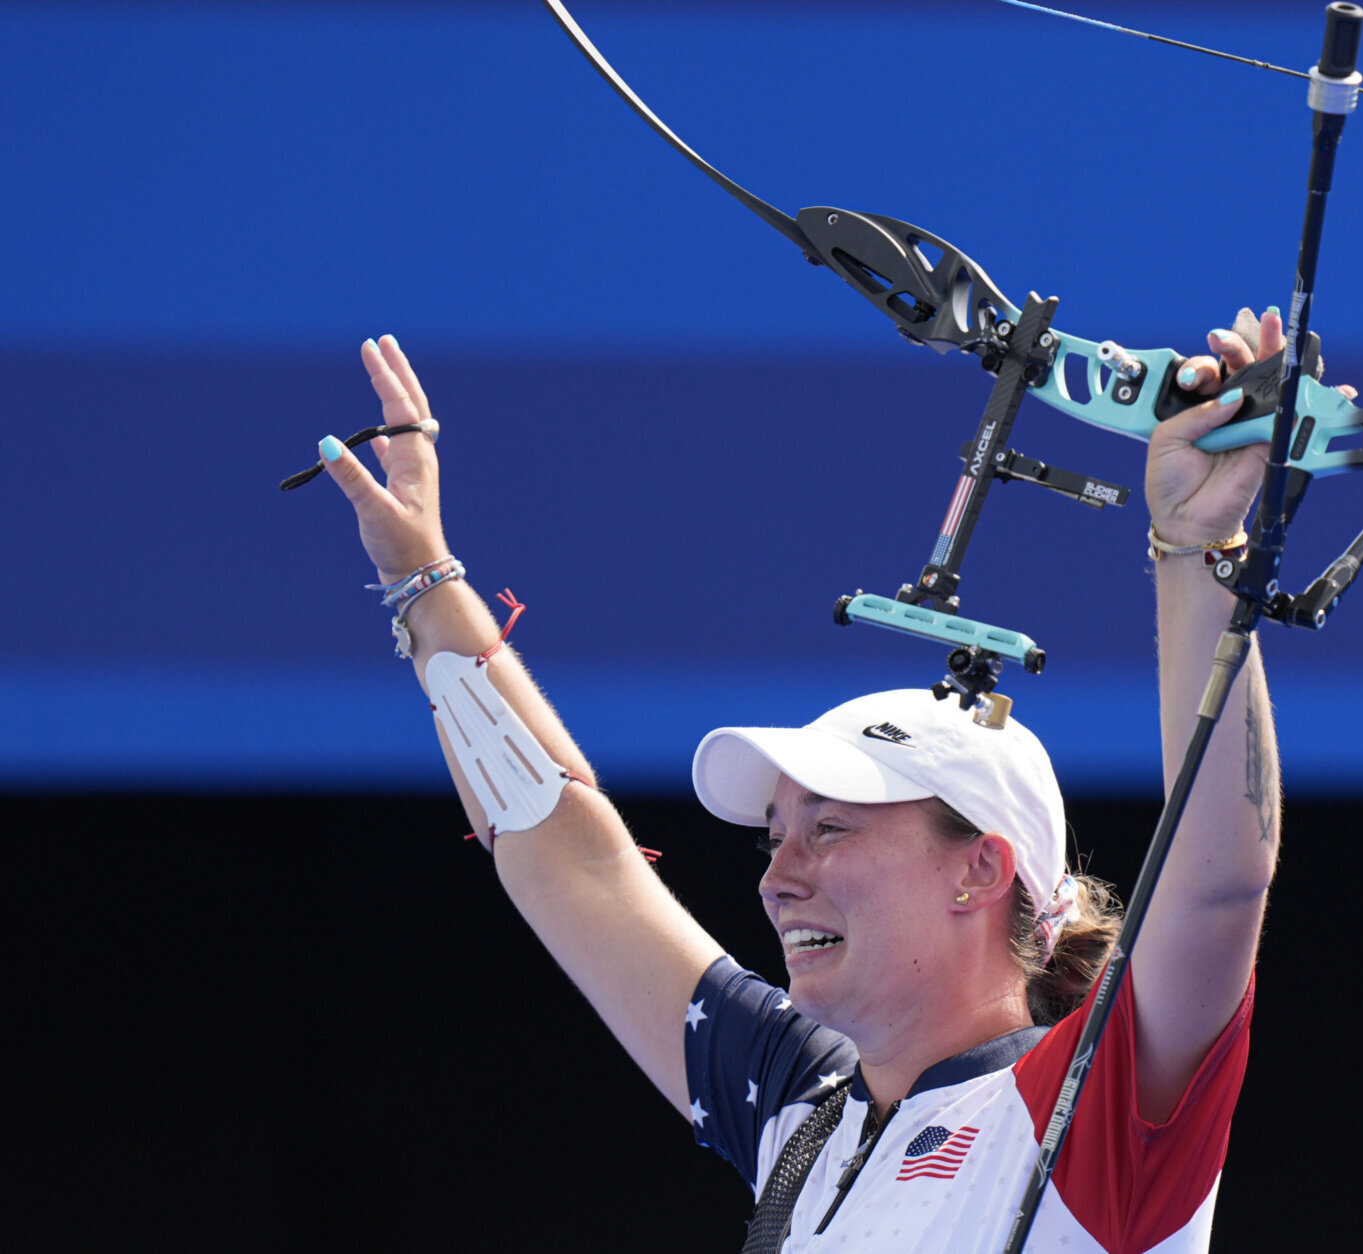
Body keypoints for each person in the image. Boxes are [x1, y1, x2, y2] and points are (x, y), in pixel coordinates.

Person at [314, 308, 1307, 1252]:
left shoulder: (1088, 1108)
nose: (775, 877)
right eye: (775, 834)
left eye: (829, 829)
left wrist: (1193, 551)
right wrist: (422, 580)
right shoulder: (800, 1110)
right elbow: (573, 868)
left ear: (978, 870)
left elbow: (1218, 881)